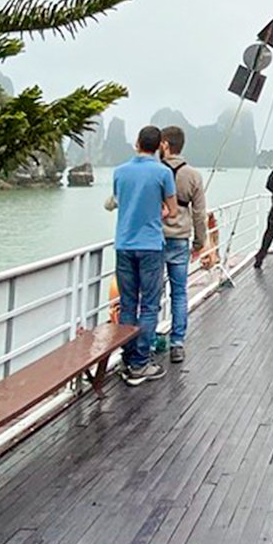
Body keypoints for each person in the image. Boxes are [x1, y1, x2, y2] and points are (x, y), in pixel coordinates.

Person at [109, 125, 177, 385]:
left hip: (124, 244)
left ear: (137, 143)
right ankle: (140, 363)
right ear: (160, 145)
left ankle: (127, 359)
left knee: (127, 303)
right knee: (149, 304)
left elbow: (118, 201)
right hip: (150, 245)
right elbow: (171, 210)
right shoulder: (163, 172)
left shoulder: (120, 171)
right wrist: (157, 212)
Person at [159, 126, 212, 365]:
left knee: (152, 294)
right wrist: (200, 243)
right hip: (181, 239)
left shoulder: (155, 171)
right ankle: (177, 344)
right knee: (179, 293)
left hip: (155, 239)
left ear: (165, 144)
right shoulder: (193, 175)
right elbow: (200, 214)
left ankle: (148, 341)